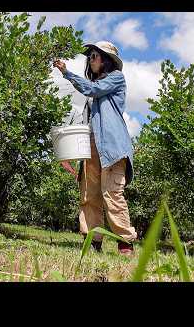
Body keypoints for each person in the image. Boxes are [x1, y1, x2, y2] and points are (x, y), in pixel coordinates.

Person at [53, 41, 137, 255]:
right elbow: (87, 123)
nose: (90, 59)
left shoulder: (116, 78)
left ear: (106, 60)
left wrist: (66, 72)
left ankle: (125, 242)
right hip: (91, 146)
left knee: (112, 193)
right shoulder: (92, 93)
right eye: (89, 56)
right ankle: (93, 240)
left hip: (112, 146)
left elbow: (92, 88)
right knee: (89, 195)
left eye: (94, 56)